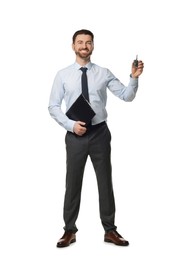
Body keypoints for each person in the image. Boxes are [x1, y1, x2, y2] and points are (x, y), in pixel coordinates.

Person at [48, 29, 144, 248]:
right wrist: (71, 125)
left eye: (88, 42)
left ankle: (110, 230)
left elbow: (126, 96)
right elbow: (53, 106)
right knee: (72, 183)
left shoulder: (103, 72)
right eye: (80, 42)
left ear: (93, 46)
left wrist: (134, 78)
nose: (84, 46)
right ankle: (69, 231)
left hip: (100, 133)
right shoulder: (62, 75)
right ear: (73, 46)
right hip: (75, 135)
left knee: (105, 181)